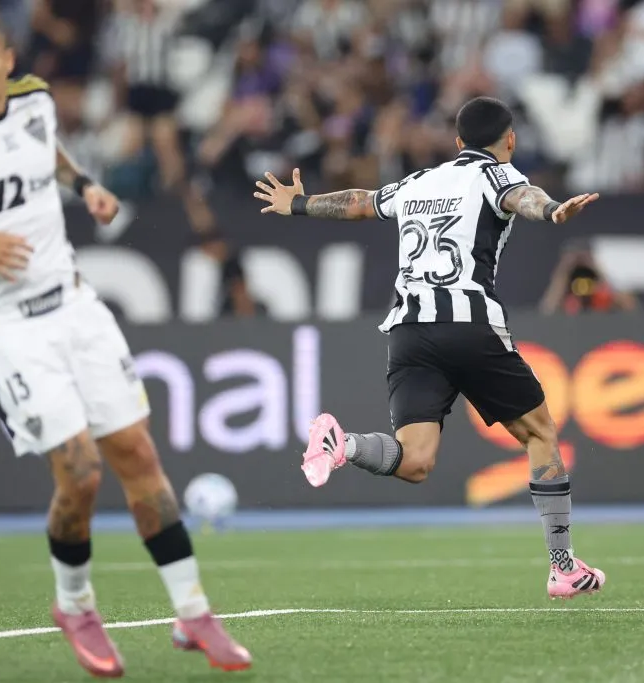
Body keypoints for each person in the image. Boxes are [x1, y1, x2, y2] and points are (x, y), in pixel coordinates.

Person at [0, 9, 251, 677]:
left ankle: (193, 612)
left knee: (137, 451)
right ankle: (74, 604)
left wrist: (85, 184)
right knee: (80, 470)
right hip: (6, 324)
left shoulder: (35, 101)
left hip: (75, 304)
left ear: (6, 60)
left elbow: (44, 149)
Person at [254, 96, 606, 600]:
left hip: (409, 332)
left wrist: (300, 203)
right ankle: (562, 567)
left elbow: (360, 202)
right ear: (509, 141)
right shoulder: (498, 174)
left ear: (458, 142)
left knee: (416, 461)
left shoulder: (418, 182)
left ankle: (343, 444)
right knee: (540, 434)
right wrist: (552, 211)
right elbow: (523, 197)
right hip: (469, 325)